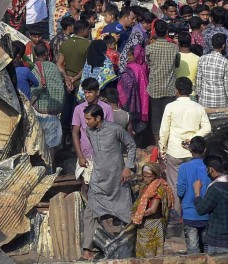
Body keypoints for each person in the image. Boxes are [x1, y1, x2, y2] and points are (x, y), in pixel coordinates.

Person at [81, 104, 136, 260]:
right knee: (90, 213)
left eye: (88, 119)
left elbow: (131, 145)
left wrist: (128, 167)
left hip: (118, 181)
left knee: (125, 216)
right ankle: (87, 249)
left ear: (98, 118)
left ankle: (128, 250)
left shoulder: (115, 129)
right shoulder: (89, 131)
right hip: (98, 180)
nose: (86, 122)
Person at [159, 78, 211, 212]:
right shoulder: (198, 107)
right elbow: (207, 128)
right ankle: (193, 211)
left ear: (177, 90)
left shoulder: (170, 107)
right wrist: (192, 138)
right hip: (193, 152)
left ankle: (177, 215)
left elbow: (164, 130)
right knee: (193, 183)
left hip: (174, 151)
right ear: (190, 91)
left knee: (175, 185)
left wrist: (162, 148)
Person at [191, 154, 228, 254]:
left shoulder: (215, 189)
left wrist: (197, 193)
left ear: (211, 170)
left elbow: (201, 209)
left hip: (216, 239)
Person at [72, 78, 113, 183]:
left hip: (102, 155)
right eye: (85, 92)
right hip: (85, 154)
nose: (87, 95)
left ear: (97, 92)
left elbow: (110, 133)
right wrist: (80, 156)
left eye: (90, 92)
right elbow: (75, 132)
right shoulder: (79, 109)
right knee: (85, 184)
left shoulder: (106, 108)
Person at [147, 20, 181, 142]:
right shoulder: (174, 48)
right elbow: (177, 65)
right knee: (168, 117)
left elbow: (148, 63)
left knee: (156, 116)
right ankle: (168, 142)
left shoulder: (149, 48)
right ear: (166, 31)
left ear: (155, 31)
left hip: (155, 87)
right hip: (169, 86)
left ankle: (158, 144)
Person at [133, 164, 171, 257]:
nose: (146, 178)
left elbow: (153, 210)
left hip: (154, 225)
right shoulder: (145, 187)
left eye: (149, 176)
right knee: (142, 254)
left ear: (156, 175)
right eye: (144, 176)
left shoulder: (159, 188)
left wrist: (137, 215)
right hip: (143, 224)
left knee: (152, 255)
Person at [196, 33, 228, 108]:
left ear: (212, 44)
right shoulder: (226, 63)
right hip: (221, 102)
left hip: (205, 100)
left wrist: (198, 95)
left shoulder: (202, 59)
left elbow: (198, 80)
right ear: (223, 46)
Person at [31, 43, 65, 117]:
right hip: (56, 107)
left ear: (35, 54)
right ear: (46, 53)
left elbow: (36, 88)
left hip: (40, 109)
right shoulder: (53, 66)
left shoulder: (34, 68)